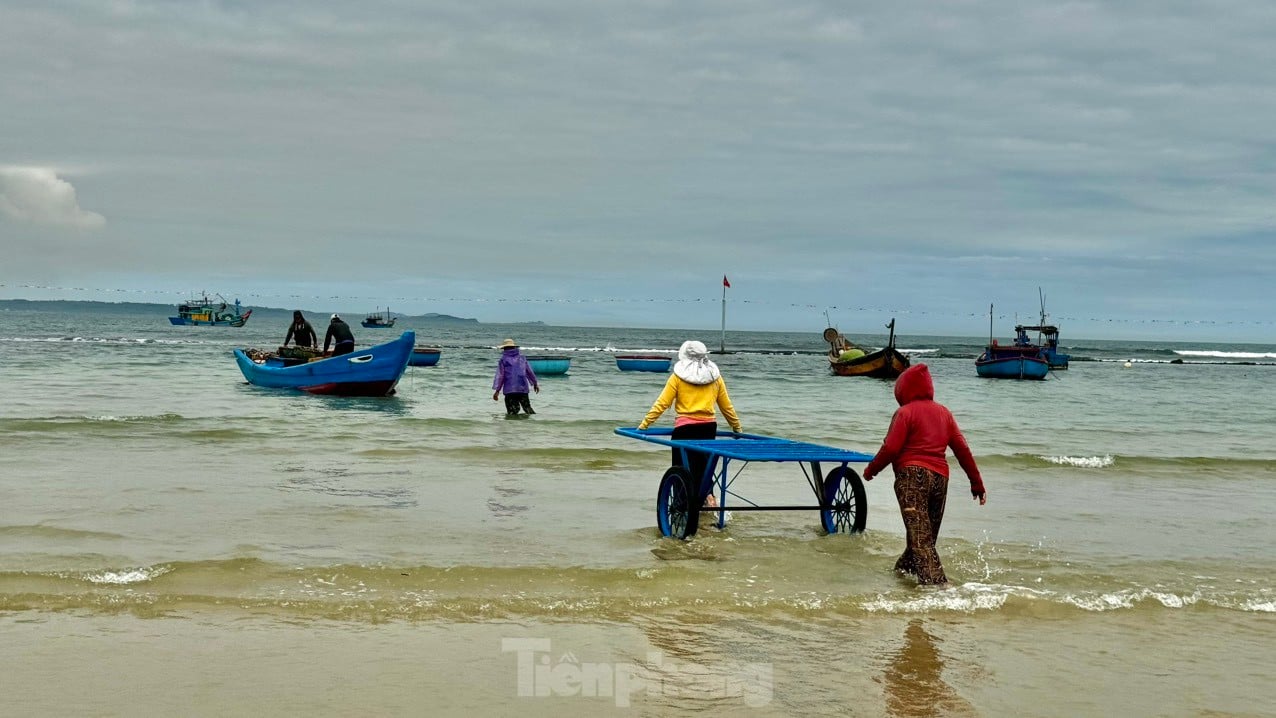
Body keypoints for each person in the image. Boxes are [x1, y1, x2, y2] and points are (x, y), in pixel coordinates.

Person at [863, 363, 986, 586]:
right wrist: (976, 483)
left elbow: (891, 448)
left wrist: (872, 470)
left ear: (903, 390)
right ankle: (901, 576)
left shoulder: (904, 413)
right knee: (923, 539)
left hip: (911, 476)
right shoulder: (944, 413)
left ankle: (939, 590)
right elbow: (962, 449)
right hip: (940, 479)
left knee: (920, 539)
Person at [637, 340, 743, 527]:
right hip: (708, 429)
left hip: (684, 430)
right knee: (703, 470)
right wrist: (737, 428)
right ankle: (710, 499)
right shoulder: (715, 377)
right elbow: (726, 406)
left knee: (682, 470)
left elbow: (662, 403)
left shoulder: (677, 377)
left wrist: (645, 424)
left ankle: (681, 511)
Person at [492, 338, 539, 415]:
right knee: (528, 410)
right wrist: (535, 383)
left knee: (512, 413)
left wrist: (497, 391)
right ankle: (534, 425)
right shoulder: (522, 358)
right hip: (522, 389)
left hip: (510, 391)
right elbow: (529, 372)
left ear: (504, 348)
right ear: (514, 347)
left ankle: (513, 427)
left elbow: (500, 376)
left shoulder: (503, 359)